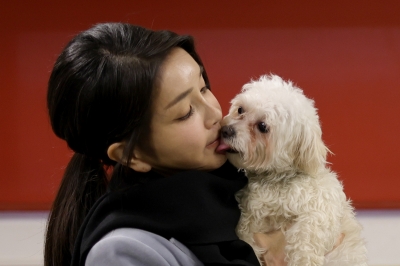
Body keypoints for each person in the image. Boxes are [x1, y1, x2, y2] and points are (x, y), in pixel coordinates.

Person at [45, 22, 264, 266]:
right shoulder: (122, 253)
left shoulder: (246, 193)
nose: (214, 114)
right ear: (132, 155)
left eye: (203, 88)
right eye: (185, 112)